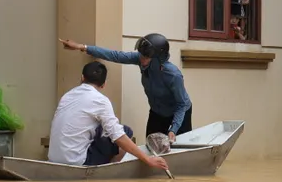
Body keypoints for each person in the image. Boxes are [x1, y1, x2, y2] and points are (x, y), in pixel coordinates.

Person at [58, 33, 192, 142]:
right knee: (152, 145)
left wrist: (173, 129)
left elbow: (182, 104)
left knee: (179, 149)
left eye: (146, 57)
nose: (141, 59)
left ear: (158, 59)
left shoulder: (173, 75)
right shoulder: (141, 59)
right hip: (157, 111)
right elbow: (116, 55)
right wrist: (82, 47)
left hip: (179, 113)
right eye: (140, 54)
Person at [48, 61, 170, 169]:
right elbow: (118, 136)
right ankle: (109, 172)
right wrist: (147, 159)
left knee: (103, 128)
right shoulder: (100, 100)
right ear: (104, 84)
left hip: (53, 159)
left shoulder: (67, 96)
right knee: (125, 131)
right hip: (77, 162)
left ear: (82, 78)